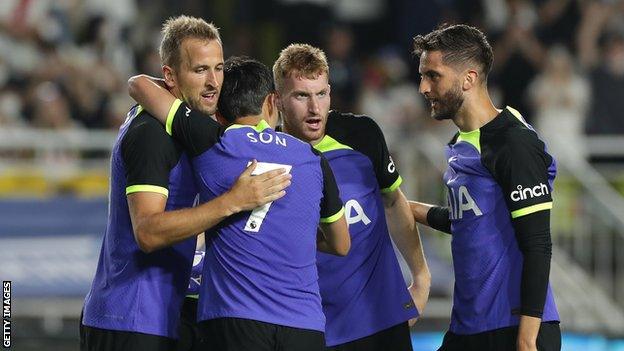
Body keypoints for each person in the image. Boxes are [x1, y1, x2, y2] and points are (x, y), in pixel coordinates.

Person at [80, 16, 290, 351]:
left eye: (219, 68)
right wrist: (232, 202)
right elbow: (147, 231)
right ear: (170, 75)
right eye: (200, 70)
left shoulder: (175, 123)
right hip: (130, 319)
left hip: (158, 315)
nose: (213, 83)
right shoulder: (151, 135)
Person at [128, 56, 351, 351]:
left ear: (219, 114)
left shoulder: (213, 141)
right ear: (272, 102)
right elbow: (341, 244)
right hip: (304, 324)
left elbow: (139, 85)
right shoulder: (313, 159)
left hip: (234, 320)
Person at [409, 24, 561, 351]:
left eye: (433, 75)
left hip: (512, 328)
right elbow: (475, 222)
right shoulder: (460, 144)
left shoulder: (513, 143)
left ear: (469, 78)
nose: (423, 87)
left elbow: (537, 244)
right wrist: (413, 210)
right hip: (468, 328)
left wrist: (527, 338)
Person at [273, 43, 431, 351]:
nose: (314, 108)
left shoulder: (362, 134)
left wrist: (421, 276)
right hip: (316, 328)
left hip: (383, 319)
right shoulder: (269, 155)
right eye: (301, 96)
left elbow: (393, 201)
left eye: (321, 94)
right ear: (277, 99)